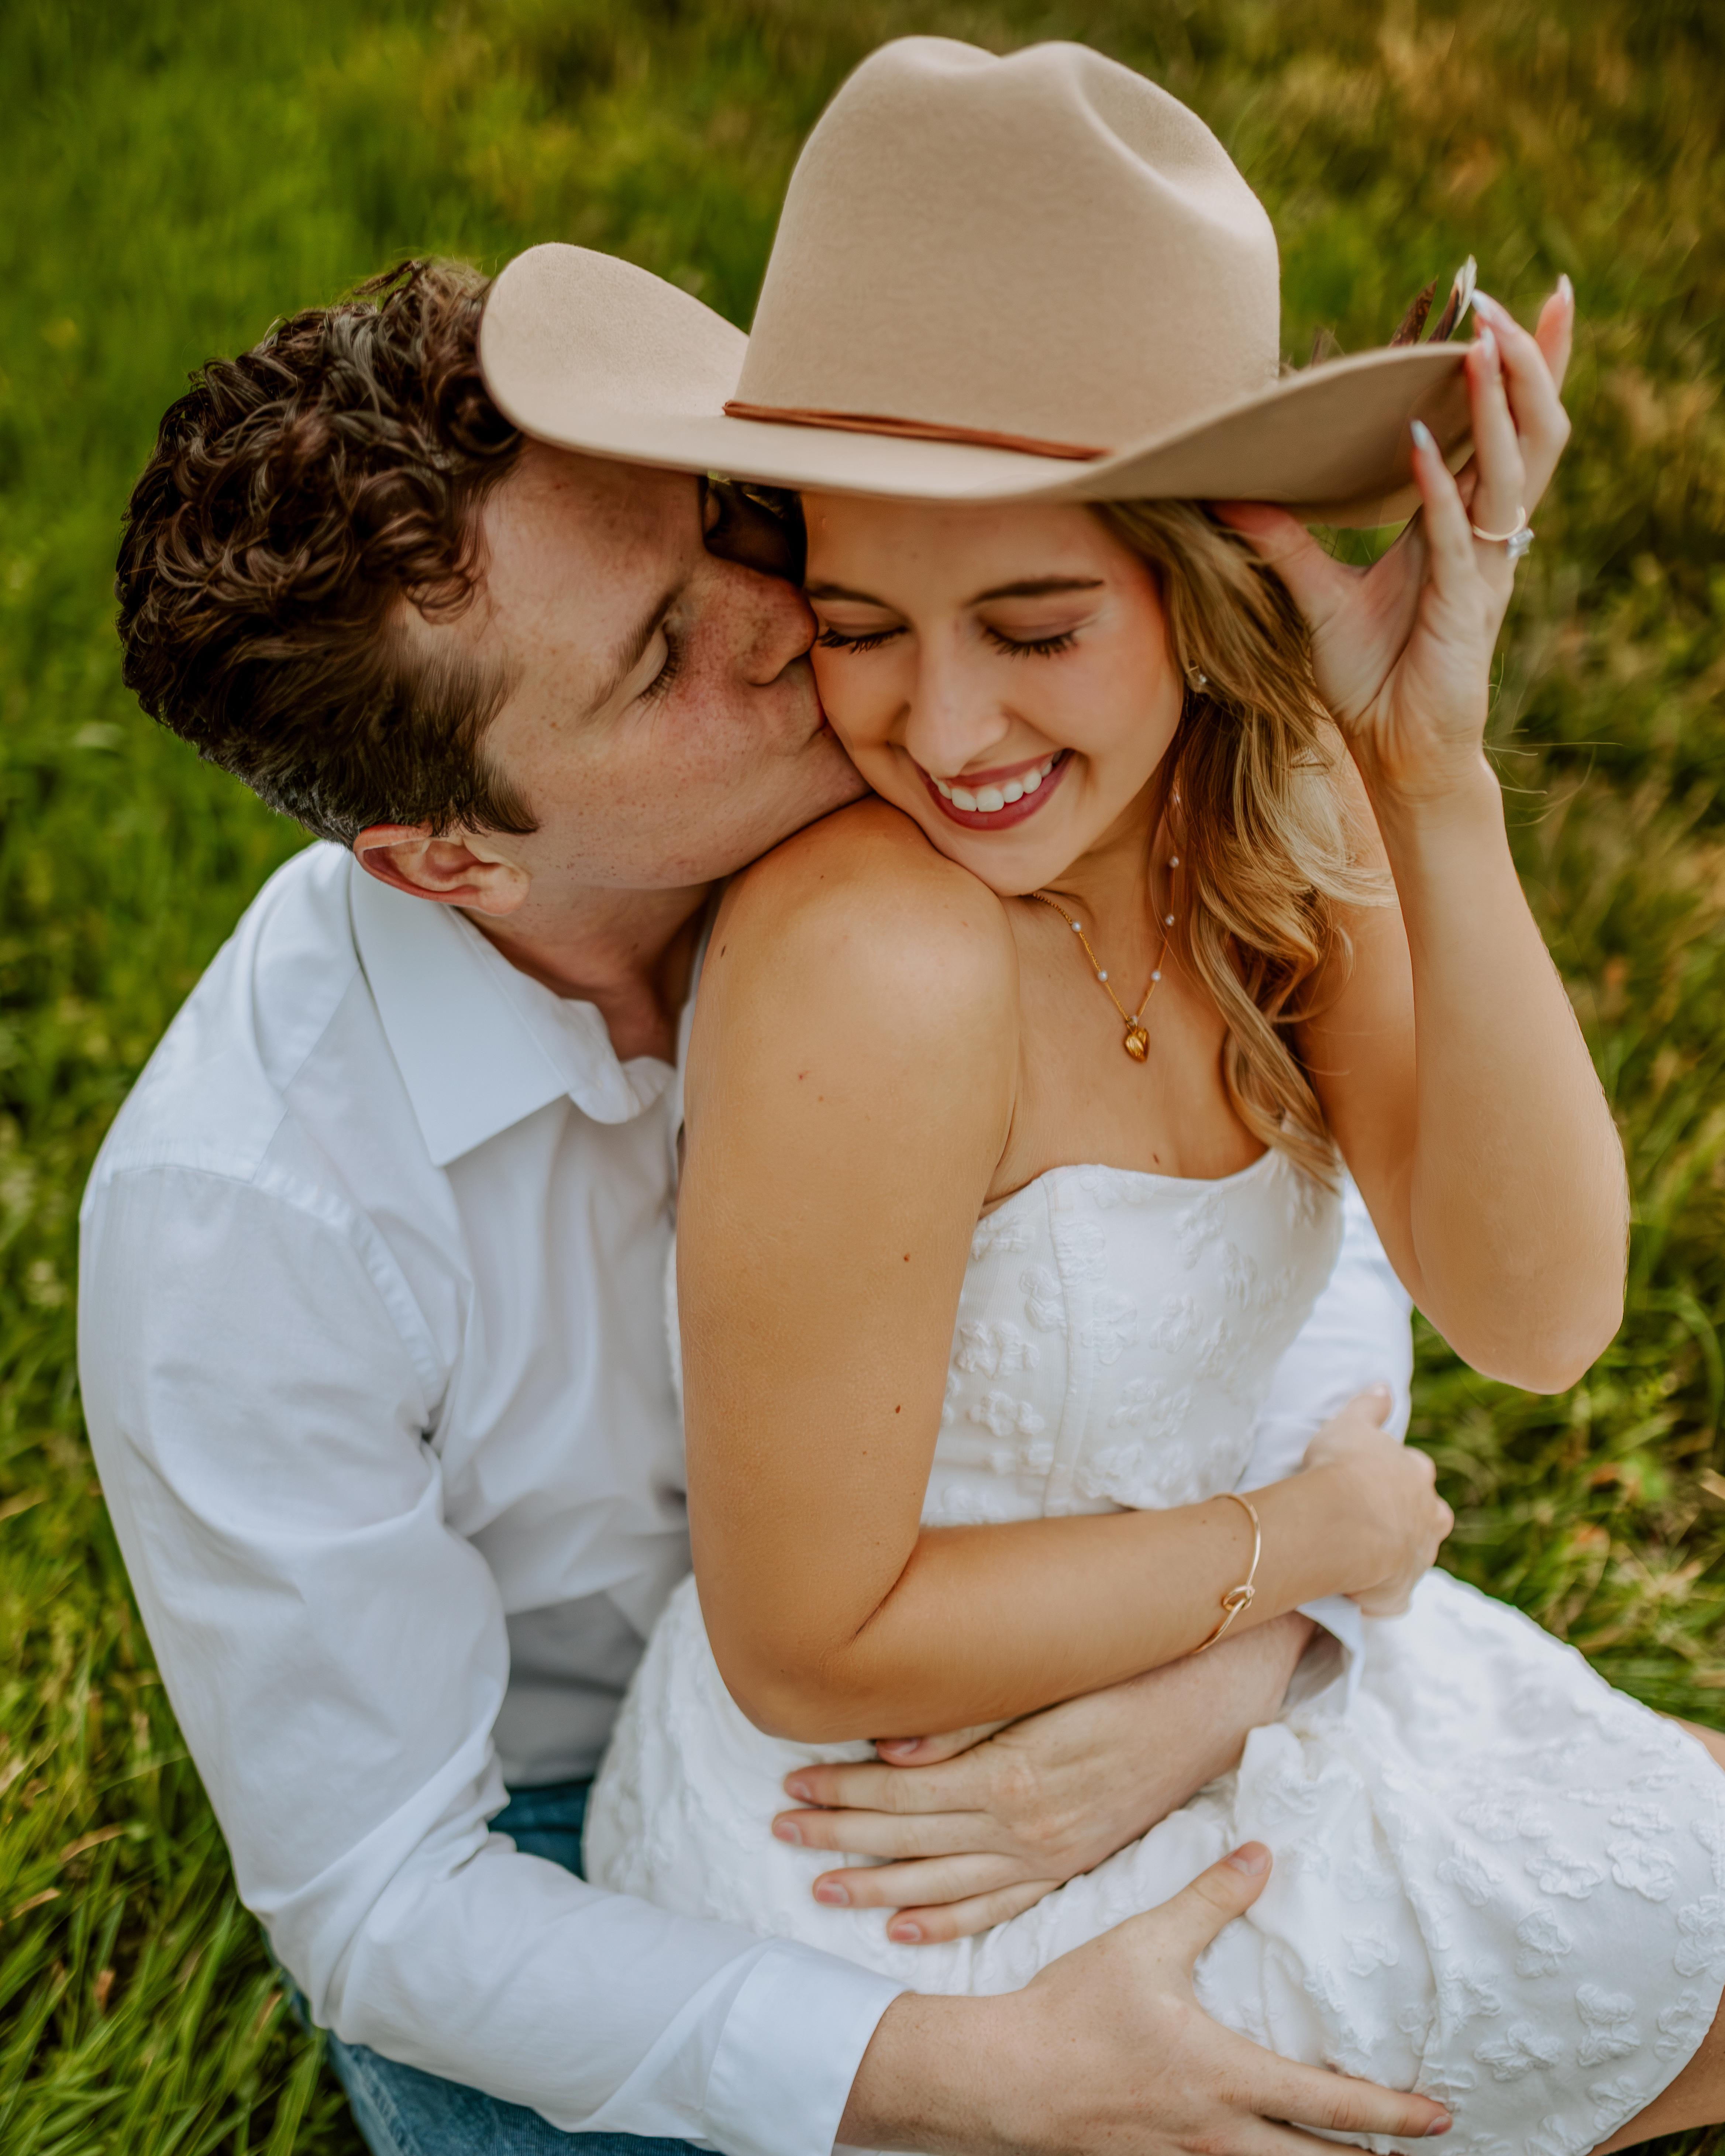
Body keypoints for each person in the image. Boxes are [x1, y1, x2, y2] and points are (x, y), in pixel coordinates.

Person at [87, 86, 1465, 2156]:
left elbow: (1255, 1206)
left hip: (1069, 1637)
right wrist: (986, 2078)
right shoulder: (246, 1225)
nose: (794, 619)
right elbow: (388, 1902)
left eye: (730, 523)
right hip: (579, 1861)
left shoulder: (955, 787)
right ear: (449, 855)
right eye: (664, 656)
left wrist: (1250, 1648)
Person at [478, 37, 1725, 2156]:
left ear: (1202, 586)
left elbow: (1537, 1314)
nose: (943, 726)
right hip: (904, 1841)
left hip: (1209, 1687)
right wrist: (1309, 1544)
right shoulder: (874, 950)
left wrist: (1432, 773)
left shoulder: (1263, 816)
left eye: (1034, 626)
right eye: (861, 625)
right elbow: (809, 1639)